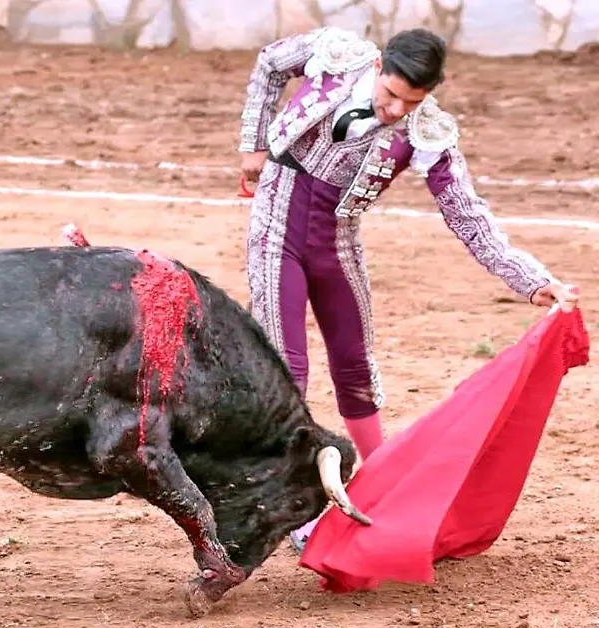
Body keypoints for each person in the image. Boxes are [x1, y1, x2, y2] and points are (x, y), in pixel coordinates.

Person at [235, 26, 580, 553]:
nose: (397, 110)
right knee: (288, 368)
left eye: (411, 101)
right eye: (391, 94)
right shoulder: (339, 55)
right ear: (377, 68)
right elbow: (268, 64)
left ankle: (384, 486)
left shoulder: (426, 129)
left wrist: (530, 280)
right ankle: (291, 505)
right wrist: (253, 145)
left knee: (355, 365)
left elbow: (465, 213)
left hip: (336, 239)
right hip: (275, 221)